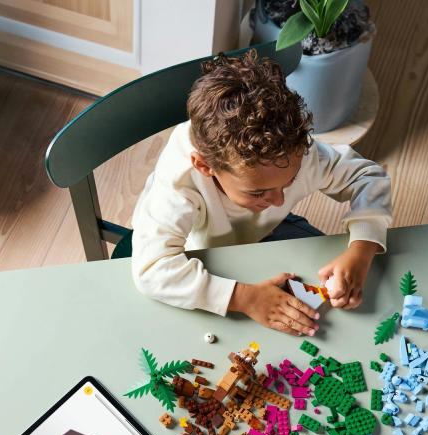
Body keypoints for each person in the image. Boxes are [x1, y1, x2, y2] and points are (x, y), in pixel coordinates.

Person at [131, 49, 392, 337]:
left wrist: (362, 249)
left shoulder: (291, 151)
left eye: (290, 182)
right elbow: (151, 270)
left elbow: (368, 177)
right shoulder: (177, 181)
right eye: (258, 193)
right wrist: (245, 298)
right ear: (205, 167)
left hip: (269, 231)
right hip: (203, 252)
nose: (279, 200)